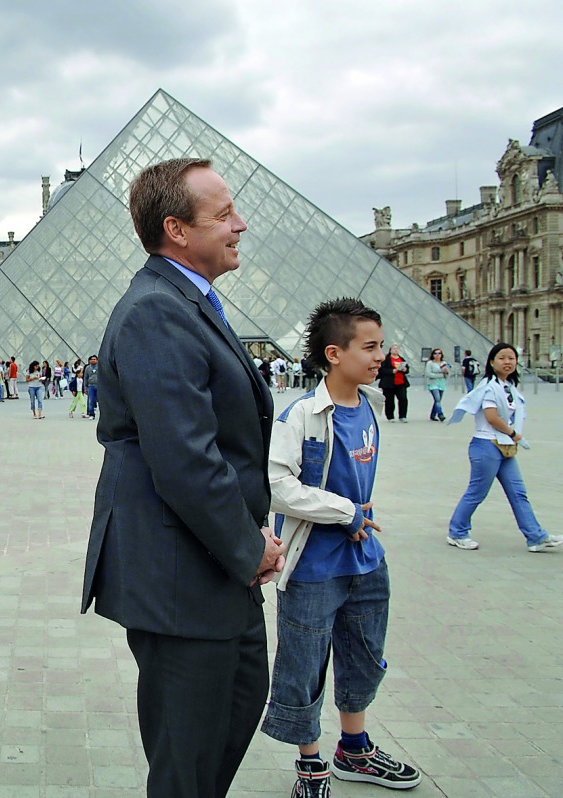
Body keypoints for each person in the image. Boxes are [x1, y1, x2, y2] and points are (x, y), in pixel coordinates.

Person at [82, 158, 285, 798]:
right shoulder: (157, 311)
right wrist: (249, 546)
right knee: (187, 754)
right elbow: (185, 458)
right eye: (223, 214)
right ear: (176, 228)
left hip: (206, 561)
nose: (240, 224)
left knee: (234, 706)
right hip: (180, 571)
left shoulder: (183, 301)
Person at [265, 298, 421, 795]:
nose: (382, 356)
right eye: (370, 347)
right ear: (334, 353)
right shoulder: (299, 415)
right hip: (313, 564)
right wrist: (346, 512)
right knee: (304, 665)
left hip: (366, 559)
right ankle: (310, 766)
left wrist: (358, 514)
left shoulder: (372, 404)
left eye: (382, 345)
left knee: (364, 656)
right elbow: (276, 486)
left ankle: (355, 750)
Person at [445, 342, 562, 552]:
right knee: (477, 492)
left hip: (504, 447)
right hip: (487, 446)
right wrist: (513, 433)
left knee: (518, 493)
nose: (507, 362)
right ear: (491, 362)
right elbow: (491, 417)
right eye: (502, 358)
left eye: (511, 358)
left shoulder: (507, 386)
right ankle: (457, 531)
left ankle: (535, 536)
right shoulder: (489, 387)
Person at [377, 345, 410, 422]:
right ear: (390, 350)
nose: (396, 350)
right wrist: (391, 371)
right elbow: (381, 370)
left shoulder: (401, 359)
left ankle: (402, 416)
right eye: (394, 348)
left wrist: (405, 370)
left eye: (397, 348)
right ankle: (390, 416)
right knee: (389, 400)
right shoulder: (386, 359)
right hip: (389, 383)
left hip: (401, 382)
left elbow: (407, 369)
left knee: (403, 399)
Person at [424, 348, 450, 422]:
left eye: (439, 353)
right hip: (433, 384)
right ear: (433, 354)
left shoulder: (444, 363)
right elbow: (428, 374)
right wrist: (441, 375)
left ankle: (432, 415)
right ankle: (440, 414)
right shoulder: (430, 363)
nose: (438, 355)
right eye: (436, 353)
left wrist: (446, 372)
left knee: (437, 400)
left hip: (442, 384)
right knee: (437, 399)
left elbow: (448, 375)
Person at [82, 355, 99, 419]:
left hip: (99, 386)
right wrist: (85, 388)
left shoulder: (100, 367)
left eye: (94, 359)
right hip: (90, 386)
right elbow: (85, 378)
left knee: (101, 401)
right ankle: (91, 414)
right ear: (89, 361)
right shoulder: (87, 368)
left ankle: (103, 415)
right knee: (91, 401)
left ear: (97, 360)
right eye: (92, 359)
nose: (93, 360)